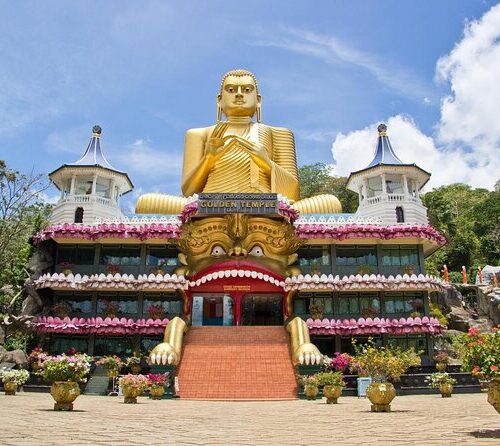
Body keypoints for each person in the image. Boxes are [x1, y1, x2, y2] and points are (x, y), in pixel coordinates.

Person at [136, 69, 341, 214]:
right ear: (219, 99)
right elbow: (188, 192)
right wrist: (208, 158)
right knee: (146, 203)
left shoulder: (278, 133)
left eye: (247, 90)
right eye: (232, 90)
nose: (240, 95)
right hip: (209, 206)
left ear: (258, 100)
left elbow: (292, 195)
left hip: (266, 206)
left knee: (330, 203)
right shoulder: (200, 134)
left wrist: (266, 164)